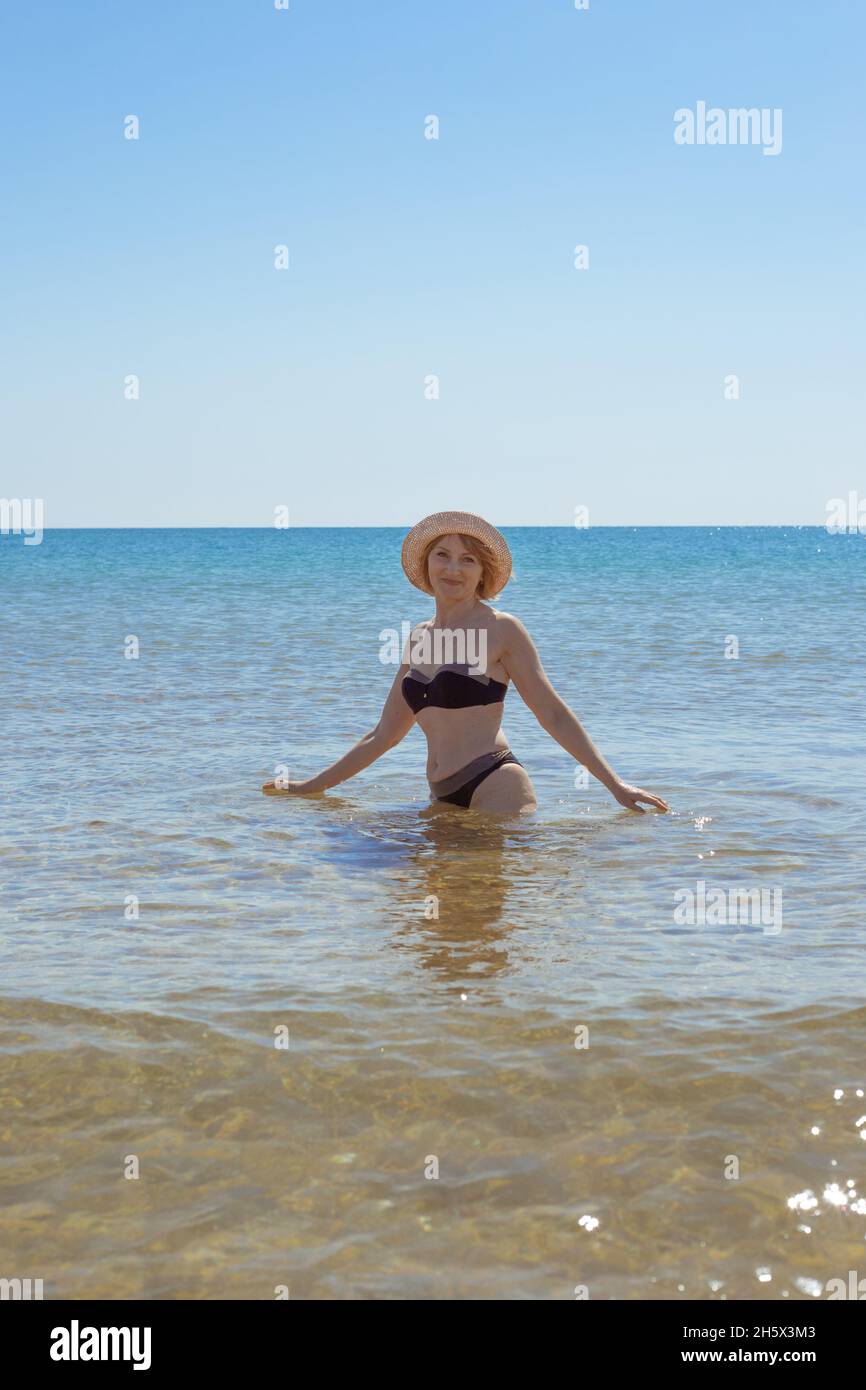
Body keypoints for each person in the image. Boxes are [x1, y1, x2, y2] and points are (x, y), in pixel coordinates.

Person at [262, 510, 669, 815]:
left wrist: (615, 785)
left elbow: (553, 714)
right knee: (426, 917)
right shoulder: (419, 637)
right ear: (427, 565)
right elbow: (383, 735)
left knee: (484, 915)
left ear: (482, 574)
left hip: (495, 785)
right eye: (442, 555)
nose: (453, 568)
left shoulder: (502, 629)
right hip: (441, 796)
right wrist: (310, 787)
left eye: (468, 560)